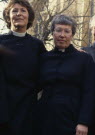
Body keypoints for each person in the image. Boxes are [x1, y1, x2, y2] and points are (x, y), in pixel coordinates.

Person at [36, 14, 95, 135]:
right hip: (45, 118)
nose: (62, 35)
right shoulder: (44, 58)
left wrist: (83, 122)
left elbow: (90, 92)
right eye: (58, 30)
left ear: (72, 35)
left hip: (72, 119)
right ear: (53, 33)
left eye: (67, 31)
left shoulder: (84, 59)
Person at [0, 0, 46, 134]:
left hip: (27, 109)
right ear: (8, 16)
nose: (19, 14)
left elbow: (52, 63)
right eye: (14, 11)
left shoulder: (37, 45)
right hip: (3, 107)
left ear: (29, 16)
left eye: (23, 10)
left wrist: (74, 51)